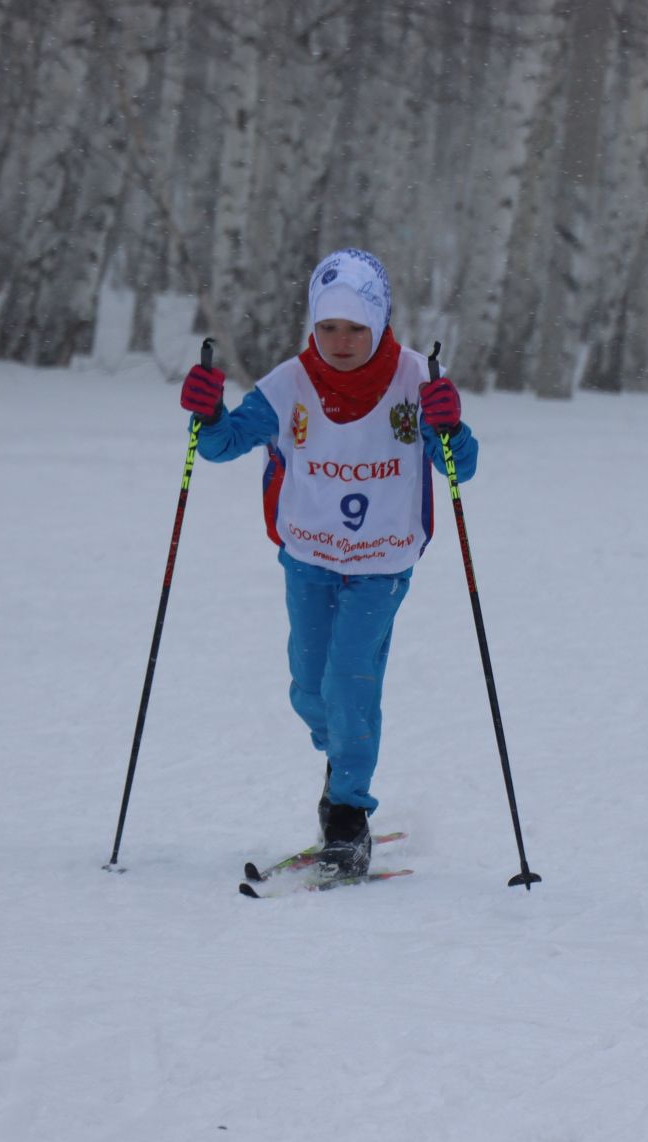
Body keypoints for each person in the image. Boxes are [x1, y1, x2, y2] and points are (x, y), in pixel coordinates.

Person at [178, 248, 477, 875]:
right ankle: (345, 752)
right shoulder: (288, 384)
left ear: (380, 322)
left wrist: (451, 430)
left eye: (356, 328)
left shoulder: (417, 380)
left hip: (382, 561)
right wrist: (206, 413)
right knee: (309, 687)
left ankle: (348, 814)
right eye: (328, 327)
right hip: (308, 556)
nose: (341, 342)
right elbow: (224, 443)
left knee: (349, 679)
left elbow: (460, 466)